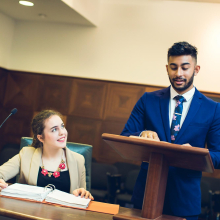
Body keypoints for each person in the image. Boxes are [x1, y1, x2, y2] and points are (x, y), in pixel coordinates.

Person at [121, 42, 220, 220]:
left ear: (196, 69)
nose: (178, 73)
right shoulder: (147, 100)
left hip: (185, 201)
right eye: (173, 67)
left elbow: (219, 154)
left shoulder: (213, 109)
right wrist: (141, 134)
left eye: (185, 67)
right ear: (167, 68)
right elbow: (125, 137)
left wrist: (197, 155)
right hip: (146, 195)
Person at [0, 110, 93, 200]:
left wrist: (84, 194)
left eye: (62, 126)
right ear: (41, 138)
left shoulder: (78, 160)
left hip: (64, 214)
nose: (62, 133)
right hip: (29, 213)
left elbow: (83, 195)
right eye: (54, 129)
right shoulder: (26, 154)